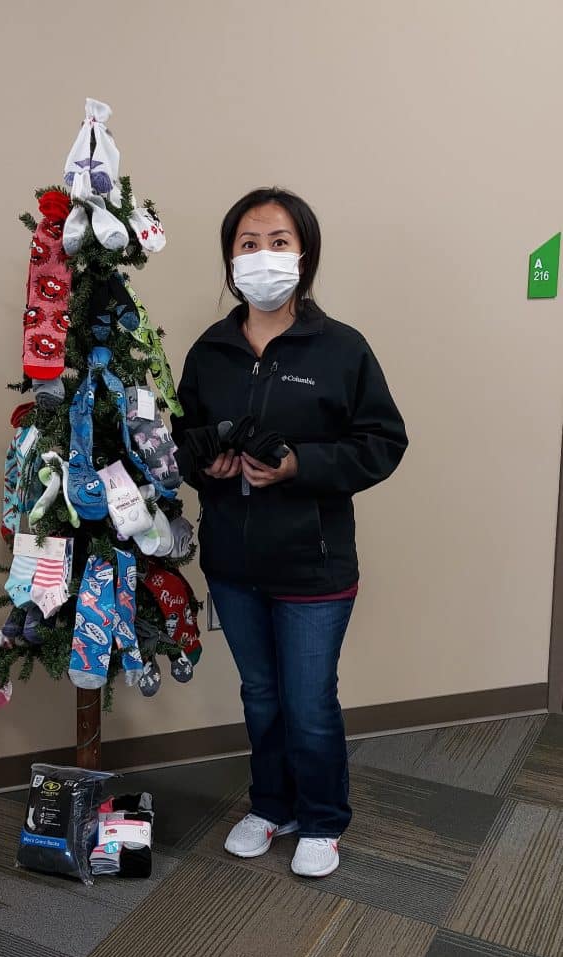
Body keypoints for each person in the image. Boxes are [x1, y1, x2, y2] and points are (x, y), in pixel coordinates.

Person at [171, 187, 408, 878]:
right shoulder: (210, 350)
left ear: (304, 255)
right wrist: (205, 462)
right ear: (229, 259)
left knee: (308, 703)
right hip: (233, 560)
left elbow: (383, 443)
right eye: (248, 243)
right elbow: (183, 437)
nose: (263, 256)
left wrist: (301, 465)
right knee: (261, 696)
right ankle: (271, 805)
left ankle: (324, 819)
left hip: (315, 564)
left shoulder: (341, 349)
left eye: (278, 241)